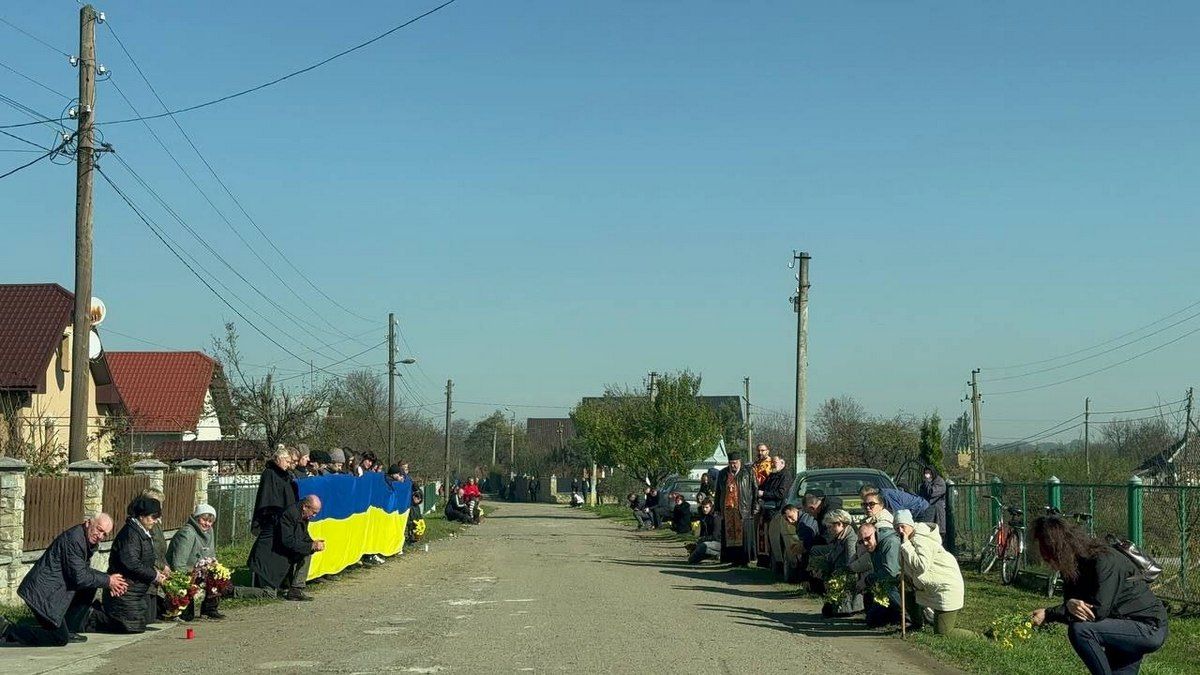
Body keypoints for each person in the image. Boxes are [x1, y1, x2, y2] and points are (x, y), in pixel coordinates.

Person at [1029, 515, 1168, 675]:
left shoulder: (1104, 560)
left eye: (1049, 558)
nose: (1048, 563)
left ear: (1059, 549)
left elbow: (1096, 611)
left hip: (1147, 627)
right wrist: (1067, 605)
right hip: (1119, 626)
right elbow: (1072, 605)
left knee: (1081, 630)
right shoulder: (1071, 565)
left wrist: (1049, 613)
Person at [0, 514, 128, 647]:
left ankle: (70, 629)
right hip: (41, 594)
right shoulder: (74, 540)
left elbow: (83, 574)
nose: (100, 536)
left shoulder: (85, 540)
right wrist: (108, 581)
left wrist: (109, 581)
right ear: (88, 523)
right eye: (99, 529)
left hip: (53, 590)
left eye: (105, 534)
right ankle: (8, 630)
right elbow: (79, 577)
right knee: (58, 638)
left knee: (90, 586)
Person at [894, 509, 970, 637]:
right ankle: (917, 624)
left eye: (903, 526)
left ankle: (983, 637)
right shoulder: (906, 540)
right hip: (929, 587)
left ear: (911, 525)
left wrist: (906, 545)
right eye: (897, 528)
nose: (900, 531)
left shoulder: (922, 539)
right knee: (904, 587)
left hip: (945, 588)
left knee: (943, 633)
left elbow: (920, 565)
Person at [96, 496, 166, 634]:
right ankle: (93, 615)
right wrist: (154, 575)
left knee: (137, 625)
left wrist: (156, 571)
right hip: (124, 590)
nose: (156, 520)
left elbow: (145, 559)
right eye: (153, 516)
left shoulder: (141, 532)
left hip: (135, 592)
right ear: (141, 516)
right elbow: (131, 563)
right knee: (129, 626)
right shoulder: (130, 534)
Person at [248, 445, 299, 592]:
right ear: (279, 458)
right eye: (287, 461)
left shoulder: (284, 474)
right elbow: (268, 498)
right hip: (272, 518)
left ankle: (282, 581)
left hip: (283, 518)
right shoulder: (270, 474)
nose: (289, 465)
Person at [165, 504, 224, 620]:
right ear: (197, 518)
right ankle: (179, 608)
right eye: (204, 520)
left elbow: (211, 554)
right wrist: (185, 582)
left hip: (198, 570)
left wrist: (214, 568)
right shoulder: (187, 533)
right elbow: (178, 562)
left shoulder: (209, 531)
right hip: (184, 571)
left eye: (210, 521)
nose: (207, 524)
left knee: (219, 576)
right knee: (188, 616)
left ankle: (209, 609)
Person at [808, 508, 863, 617]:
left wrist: (834, 574)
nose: (829, 530)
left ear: (839, 524)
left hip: (844, 578)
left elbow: (850, 562)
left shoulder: (850, 539)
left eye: (830, 527)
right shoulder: (840, 538)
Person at [277, 496, 326, 601]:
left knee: (308, 549)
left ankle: (296, 588)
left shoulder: (303, 515)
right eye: (313, 512)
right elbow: (287, 541)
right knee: (306, 550)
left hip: (289, 544)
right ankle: (295, 588)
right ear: (305, 507)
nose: (314, 515)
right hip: (278, 548)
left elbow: (303, 535)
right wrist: (310, 546)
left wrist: (313, 543)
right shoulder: (290, 514)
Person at [856, 521, 902, 628]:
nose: (865, 543)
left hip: (898, 584)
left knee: (875, 618)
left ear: (875, 533)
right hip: (885, 587)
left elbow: (891, 573)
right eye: (862, 542)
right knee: (872, 619)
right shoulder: (874, 545)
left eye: (867, 538)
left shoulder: (890, 542)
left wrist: (868, 579)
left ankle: (906, 614)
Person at [715, 451, 759, 566]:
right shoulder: (723, 473)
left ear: (739, 462)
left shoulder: (748, 472)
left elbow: (755, 490)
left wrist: (755, 505)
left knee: (743, 536)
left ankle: (744, 561)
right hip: (728, 509)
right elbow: (718, 492)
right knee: (730, 536)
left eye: (735, 463)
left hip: (743, 508)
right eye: (730, 463)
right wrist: (717, 508)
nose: (733, 465)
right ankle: (732, 560)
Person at [757, 457, 791, 567]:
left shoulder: (785, 476)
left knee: (775, 537)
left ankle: (776, 563)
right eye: (772, 462)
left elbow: (781, 494)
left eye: (775, 462)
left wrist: (764, 494)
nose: (772, 465)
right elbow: (762, 487)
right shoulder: (772, 475)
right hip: (768, 510)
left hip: (777, 510)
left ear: (782, 463)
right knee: (768, 537)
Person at [862, 485, 928, 524]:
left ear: (872, 493)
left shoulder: (885, 496)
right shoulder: (880, 496)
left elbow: (900, 513)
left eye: (871, 503)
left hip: (922, 509)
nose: (866, 501)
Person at [686, 499, 722, 564]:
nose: (704, 509)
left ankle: (718, 555)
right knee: (695, 550)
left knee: (703, 546)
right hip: (707, 541)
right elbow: (702, 534)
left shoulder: (716, 518)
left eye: (707, 507)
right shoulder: (704, 518)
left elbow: (716, 536)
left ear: (711, 507)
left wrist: (703, 539)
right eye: (703, 507)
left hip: (718, 543)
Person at [918, 466, 948, 542]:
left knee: (939, 533)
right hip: (927, 511)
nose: (926, 475)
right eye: (925, 473)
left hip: (937, 511)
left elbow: (932, 493)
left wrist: (927, 482)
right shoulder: (925, 484)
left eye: (928, 473)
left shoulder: (939, 482)